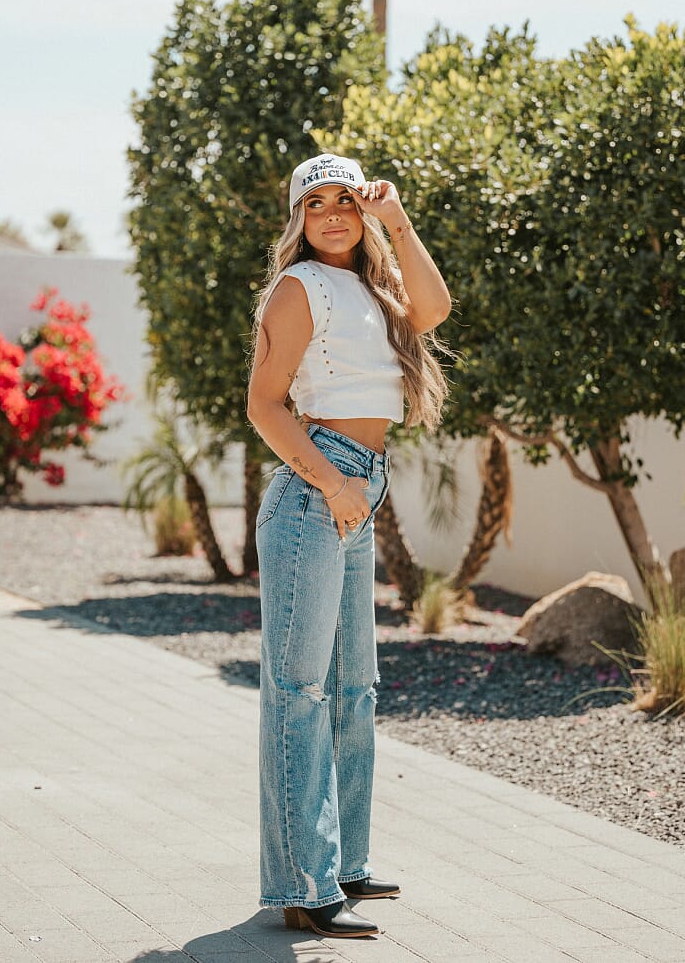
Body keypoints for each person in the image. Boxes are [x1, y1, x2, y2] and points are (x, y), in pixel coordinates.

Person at [247, 152, 452, 939]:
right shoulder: (299, 288)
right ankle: (301, 883)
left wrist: (395, 218)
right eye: (315, 201)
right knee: (299, 690)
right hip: (317, 491)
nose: (332, 212)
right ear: (297, 218)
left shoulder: (371, 287)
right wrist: (333, 485)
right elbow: (265, 405)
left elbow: (432, 310)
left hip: (360, 486)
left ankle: (345, 863)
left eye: (345, 199)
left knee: (354, 688)